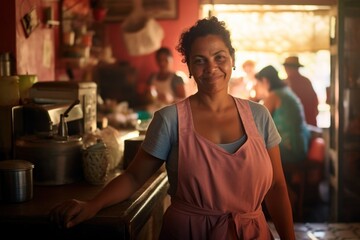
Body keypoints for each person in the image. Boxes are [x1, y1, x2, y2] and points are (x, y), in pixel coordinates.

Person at [49, 17, 295, 239]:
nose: (211, 68)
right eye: (200, 60)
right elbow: (134, 176)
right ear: (188, 67)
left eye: (219, 57)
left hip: (251, 233)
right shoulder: (170, 120)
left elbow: (276, 186)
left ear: (232, 59)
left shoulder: (259, 116)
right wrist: (93, 205)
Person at [254, 65, 311, 220]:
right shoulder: (286, 91)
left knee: (255, 157)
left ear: (265, 81)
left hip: (291, 148)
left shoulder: (273, 95)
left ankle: (264, 204)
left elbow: (256, 123)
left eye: (258, 83)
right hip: (300, 144)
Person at [283, 56, 319, 126]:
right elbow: (315, 102)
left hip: (295, 124)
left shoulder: (286, 83)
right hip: (308, 123)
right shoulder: (306, 81)